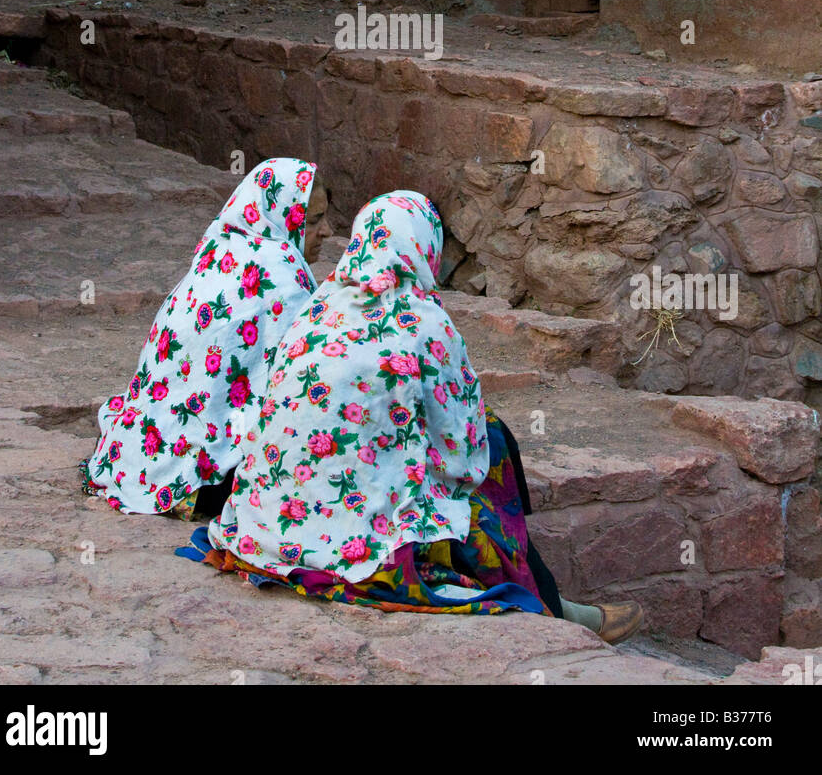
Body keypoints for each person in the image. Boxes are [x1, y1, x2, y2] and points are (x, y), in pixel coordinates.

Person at [177, 190, 644, 642]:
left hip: (265, 522)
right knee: (494, 452)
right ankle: (549, 603)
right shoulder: (425, 322)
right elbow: (460, 456)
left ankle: (552, 599)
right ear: (425, 246)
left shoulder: (318, 306)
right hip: (355, 535)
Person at [81, 158, 327, 517]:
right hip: (206, 467)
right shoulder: (283, 278)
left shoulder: (220, 248)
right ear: (281, 216)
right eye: (314, 221)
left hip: (146, 446)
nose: (329, 231)